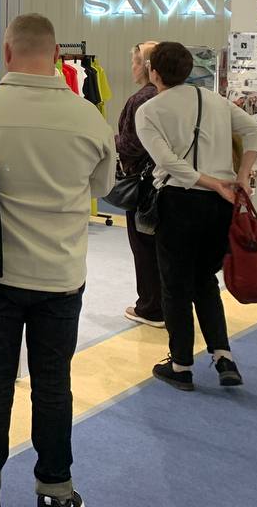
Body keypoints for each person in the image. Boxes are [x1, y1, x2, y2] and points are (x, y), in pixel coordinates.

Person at [0, 13, 115, 507]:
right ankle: (55, 488)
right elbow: (101, 186)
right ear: (57, 55)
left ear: (8, 53)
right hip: (61, 274)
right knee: (54, 384)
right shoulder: (87, 116)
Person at [135, 42, 257, 392]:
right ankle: (223, 356)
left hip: (178, 202)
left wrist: (208, 181)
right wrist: (241, 176)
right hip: (220, 205)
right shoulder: (214, 101)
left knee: (175, 285)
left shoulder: (148, 110)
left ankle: (181, 365)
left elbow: (168, 162)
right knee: (204, 280)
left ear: (154, 72)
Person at [116, 41, 164, 328]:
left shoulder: (141, 99)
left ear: (146, 67)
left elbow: (131, 144)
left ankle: (150, 307)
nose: (131, 68)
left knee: (144, 246)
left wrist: (111, 142)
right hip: (167, 181)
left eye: (135, 62)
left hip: (144, 183)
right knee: (160, 247)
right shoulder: (170, 95)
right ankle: (162, 303)